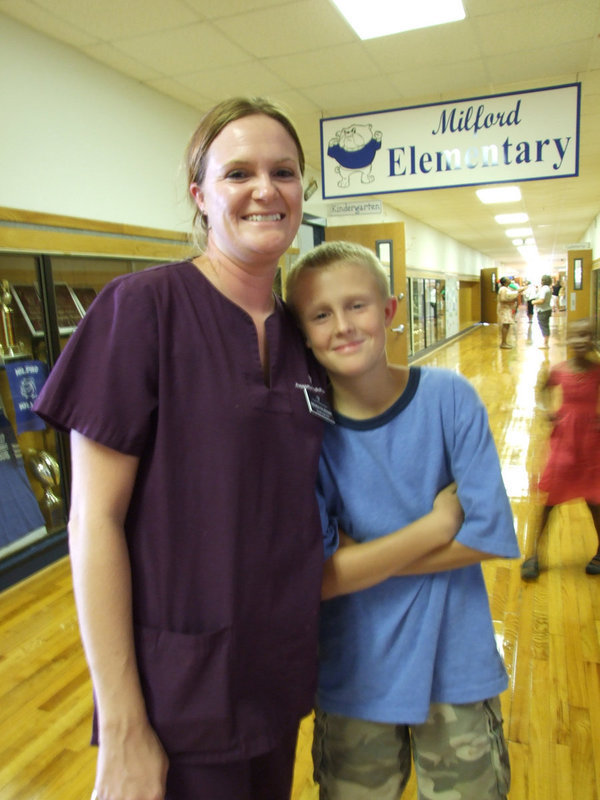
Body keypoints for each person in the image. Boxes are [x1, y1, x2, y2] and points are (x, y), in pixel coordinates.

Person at [31, 97, 464, 800]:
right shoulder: (141, 310)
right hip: (176, 694)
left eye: (284, 172)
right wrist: (124, 724)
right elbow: (93, 522)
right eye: (239, 173)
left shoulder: (303, 339)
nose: (266, 189)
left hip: (278, 677)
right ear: (201, 196)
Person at [285, 241, 520, 800]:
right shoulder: (304, 436)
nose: (343, 326)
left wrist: (358, 559)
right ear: (302, 333)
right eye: (321, 314)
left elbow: (489, 534)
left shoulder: (449, 398)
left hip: (456, 667)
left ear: (389, 310)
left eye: (357, 305)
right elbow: (322, 578)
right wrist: (437, 528)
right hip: (354, 676)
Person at [521, 318, 600, 580]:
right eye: (576, 335)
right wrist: (547, 411)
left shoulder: (598, 371)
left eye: (586, 335)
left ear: (593, 339)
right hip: (565, 442)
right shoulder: (559, 370)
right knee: (550, 501)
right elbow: (542, 391)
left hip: (591, 446)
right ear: (567, 339)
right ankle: (534, 553)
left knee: (595, 502)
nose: (581, 340)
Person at [497, 276, 525, 349]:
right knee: (505, 324)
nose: (510, 280)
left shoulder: (506, 288)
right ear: (505, 282)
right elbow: (502, 299)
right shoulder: (503, 289)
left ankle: (504, 342)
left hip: (506, 308)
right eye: (508, 279)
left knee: (507, 324)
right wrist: (511, 301)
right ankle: (503, 343)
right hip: (504, 309)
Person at [532, 274, 553, 349]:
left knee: (544, 326)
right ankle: (545, 342)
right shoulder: (548, 288)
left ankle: (545, 344)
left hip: (543, 310)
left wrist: (533, 302)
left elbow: (541, 300)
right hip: (546, 309)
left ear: (543, 281)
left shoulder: (544, 289)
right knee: (545, 325)